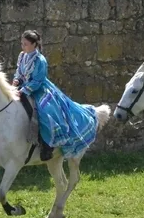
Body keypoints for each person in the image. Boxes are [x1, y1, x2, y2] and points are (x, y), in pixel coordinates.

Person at [12, 30, 98, 161]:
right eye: (22, 44)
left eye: (26, 44)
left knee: (45, 112)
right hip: (22, 87)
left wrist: (24, 90)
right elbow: (19, 71)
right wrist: (16, 80)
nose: (23, 47)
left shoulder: (40, 60)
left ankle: (46, 146)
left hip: (39, 89)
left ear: (35, 44)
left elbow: (38, 80)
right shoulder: (22, 55)